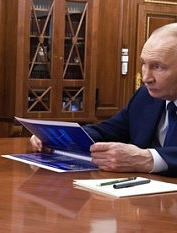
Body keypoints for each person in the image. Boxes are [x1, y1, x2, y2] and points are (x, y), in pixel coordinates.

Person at [30, 22, 177, 176]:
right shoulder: (145, 96)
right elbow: (109, 131)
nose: (146, 78)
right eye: (144, 64)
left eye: (158, 67)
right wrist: (55, 137)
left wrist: (148, 159)